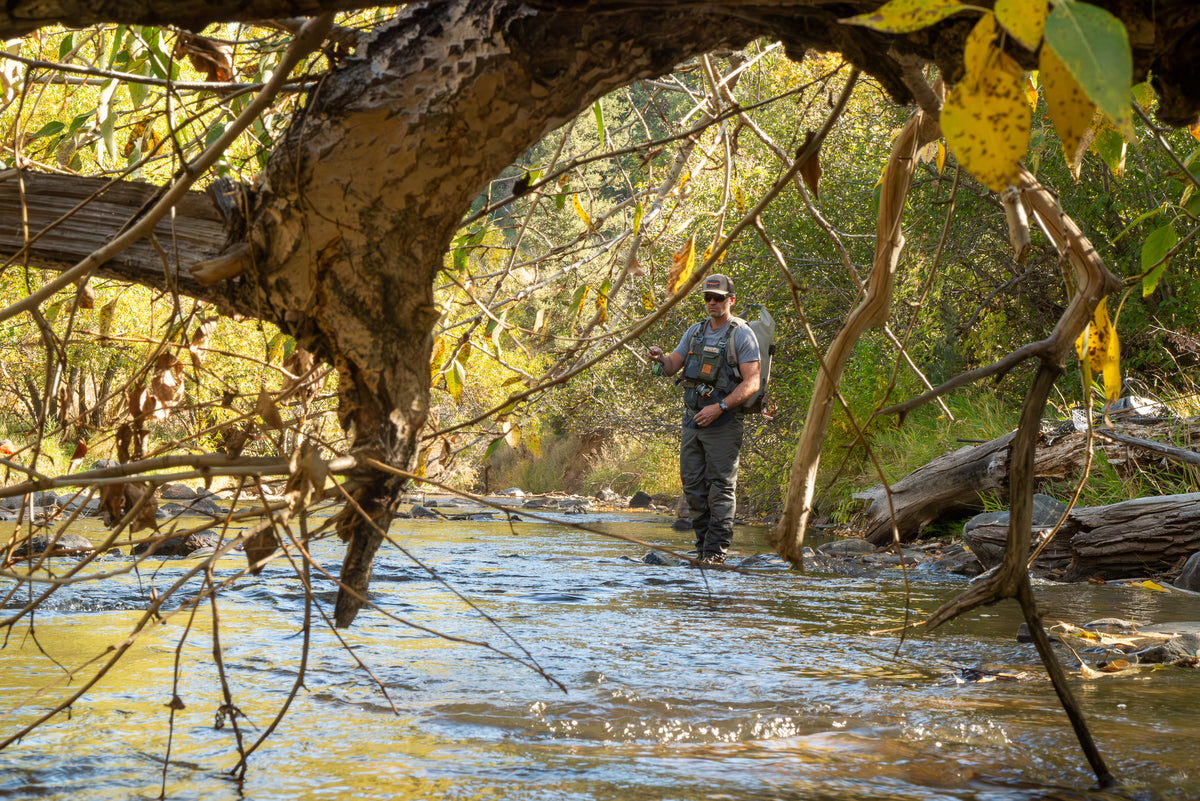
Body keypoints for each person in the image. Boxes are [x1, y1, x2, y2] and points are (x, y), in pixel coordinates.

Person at [647, 274, 761, 565]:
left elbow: (752, 383)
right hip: (692, 421)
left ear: (730, 300)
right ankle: (701, 548)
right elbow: (673, 365)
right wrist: (660, 358)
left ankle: (715, 554)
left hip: (723, 423)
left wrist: (720, 407)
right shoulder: (694, 332)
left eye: (718, 298)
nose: (712, 303)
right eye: (708, 298)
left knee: (721, 487)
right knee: (692, 486)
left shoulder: (742, 334)